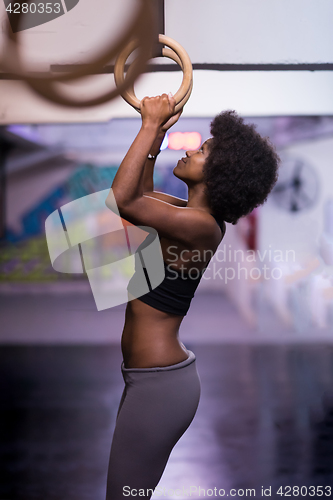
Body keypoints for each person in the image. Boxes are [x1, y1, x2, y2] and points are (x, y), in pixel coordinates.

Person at [105, 93, 280, 499]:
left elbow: (122, 200)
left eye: (202, 151)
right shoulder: (185, 214)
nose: (191, 150)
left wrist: (150, 126)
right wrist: (156, 137)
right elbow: (140, 195)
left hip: (160, 386)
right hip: (149, 379)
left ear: (219, 173)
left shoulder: (202, 227)